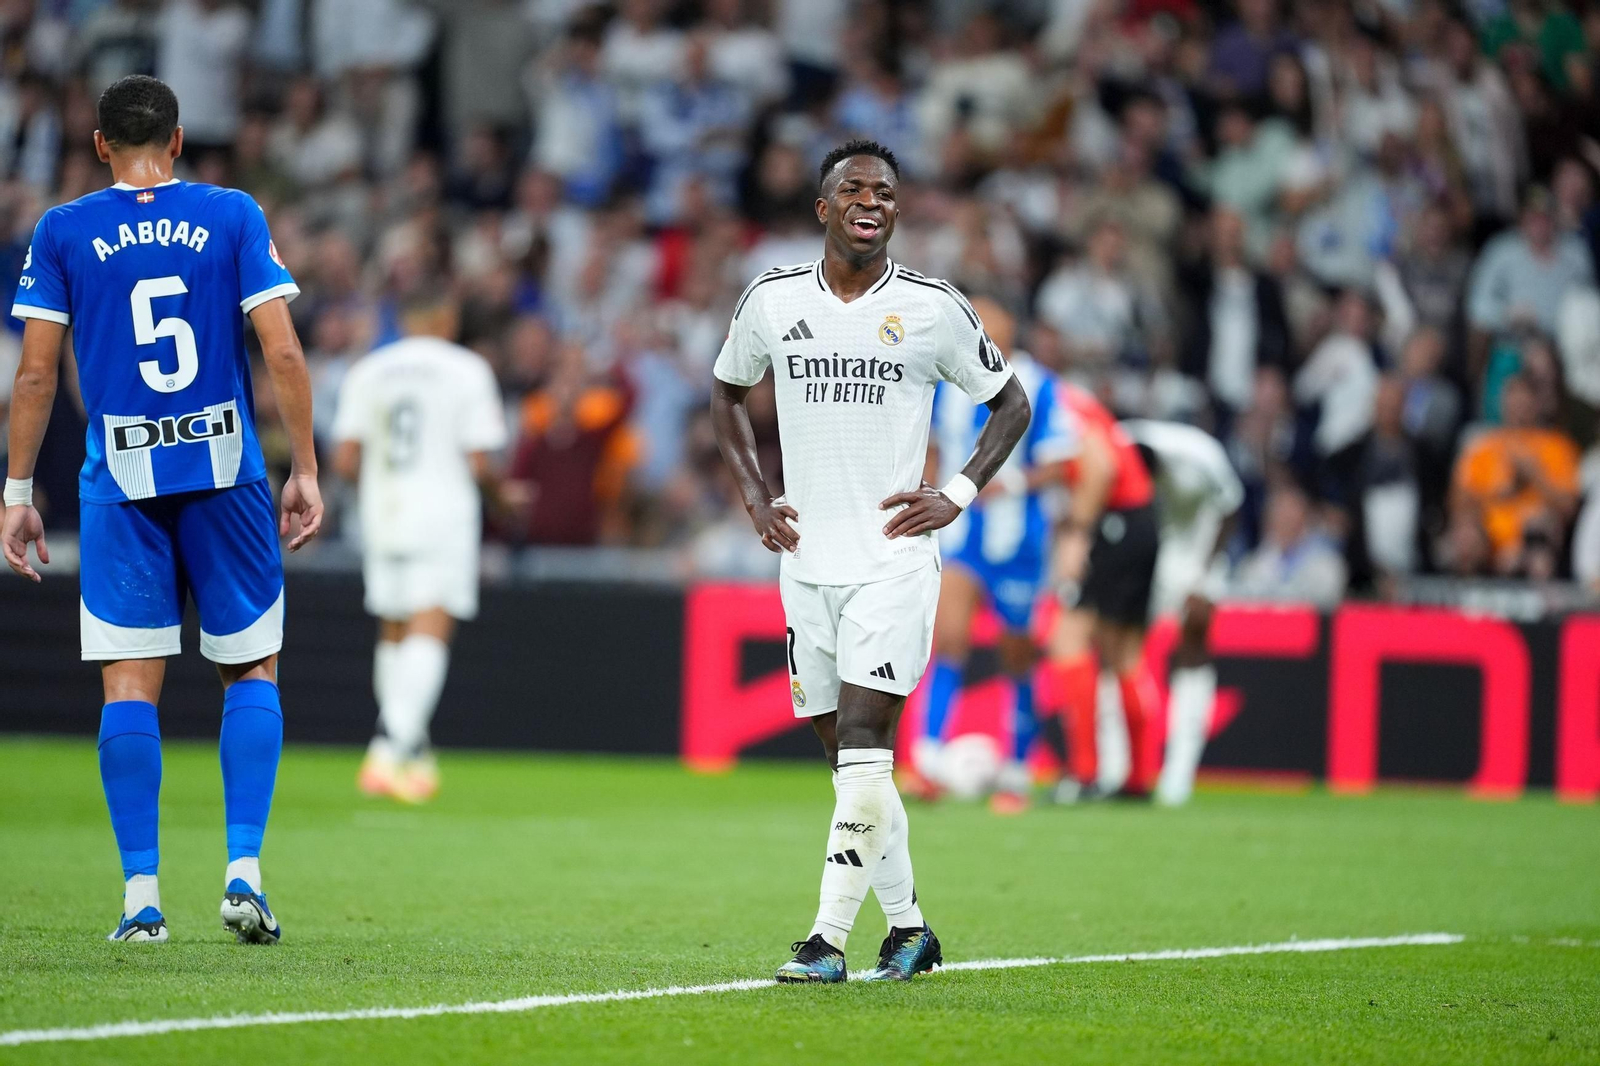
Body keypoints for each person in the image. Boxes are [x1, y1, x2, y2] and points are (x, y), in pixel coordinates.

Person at [1, 76, 321, 944]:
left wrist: (17, 491)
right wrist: (308, 470)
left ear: (99, 146)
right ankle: (244, 874)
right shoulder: (231, 213)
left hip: (121, 483)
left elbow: (34, 375)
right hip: (226, 473)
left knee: (129, 687)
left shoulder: (64, 229)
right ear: (177, 141)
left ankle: (142, 901)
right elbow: (281, 349)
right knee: (251, 670)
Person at [709, 139, 1029, 983]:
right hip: (806, 563)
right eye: (853, 188)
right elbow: (726, 391)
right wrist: (754, 492)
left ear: (896, 209)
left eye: (885, 191)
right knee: (852, 765)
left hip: (892, 562)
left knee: (862, 741)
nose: (871, 200)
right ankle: (911, 928)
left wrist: (955, 494)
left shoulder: (933, 308)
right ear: (823, 208)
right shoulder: (773, 301)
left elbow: (1011, 404)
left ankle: (823, 942)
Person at [332, 294, 506, 804]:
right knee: (432, 624)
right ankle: (389, 746)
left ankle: (414, 755)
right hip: (443, 515)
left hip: (383, 513)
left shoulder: (369, 370)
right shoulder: (467, 370)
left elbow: (345, 459)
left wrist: (383, 488)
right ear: (446, 315)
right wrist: (504, 499)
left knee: (394, 631)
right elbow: (479, 462)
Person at [914, 300, 1074, 813]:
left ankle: (1018, 770)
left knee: (1016, 655)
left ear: (1010, 324)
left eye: (989, 316)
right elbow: (935, 446)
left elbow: (1061, 462)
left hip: (1019, 541)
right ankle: (927, 762)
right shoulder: (948, 384)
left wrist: (1017, 482)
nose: (979, 325)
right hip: (963, 534)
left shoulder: (1041, 384)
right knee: (949, 639)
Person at [1036, 382, 1160, 803]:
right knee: (1124, 655)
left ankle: (1084, 773)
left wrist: (1077, 533)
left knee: (1066, 640)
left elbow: (1100, 465)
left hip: (1114, 523)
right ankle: (1140, 779)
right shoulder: (1069, 395)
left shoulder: (1052, 401)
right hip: (1138, 521)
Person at [1121, 420, 1244, 807]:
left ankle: (1180, 770)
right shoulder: (1118, 446)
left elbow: (1230, 509)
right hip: (1150, 536)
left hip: (1198, 538)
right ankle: (1124, 765)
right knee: (1121, 639)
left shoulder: (1200, 457)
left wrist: (1205, 578)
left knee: (1193, 636)